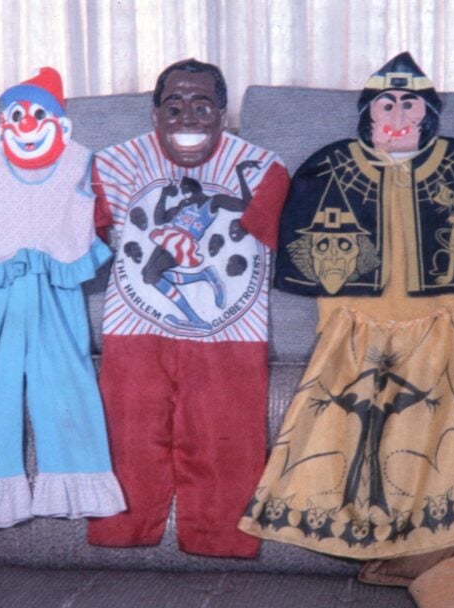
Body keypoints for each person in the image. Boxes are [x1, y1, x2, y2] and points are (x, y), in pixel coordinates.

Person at [238, 52, 454, 560]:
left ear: (428, 112)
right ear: (369, 113)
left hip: (439, 321)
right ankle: (316, 517)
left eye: (410, 104)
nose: (399, 116)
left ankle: (430, 525)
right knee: (333, 421)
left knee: (432, 425)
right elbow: (292, 236)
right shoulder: (327, 165)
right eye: (387, 105)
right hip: (349, 321)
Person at [90, 59, 289, 558]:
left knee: (225, 437)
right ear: (154, 115)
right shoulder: (113, 164)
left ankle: (220, 538)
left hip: (232, 338)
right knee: (130, 431)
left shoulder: (265, 170)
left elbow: (276, 239)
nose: (188, 117)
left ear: (223, 114)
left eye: (202, 106)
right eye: (174, 106)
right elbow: (78, 241)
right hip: (133, 331)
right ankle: (123, 530)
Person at [0, 68, 126, 531]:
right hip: (1, 285)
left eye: (37, 113)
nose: (26, 124)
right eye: (16, 114)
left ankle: (77, 482)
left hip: (57, 287)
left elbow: (100, 217)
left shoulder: (83, 161)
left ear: (59, 122)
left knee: (67, 379)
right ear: (4, 120)